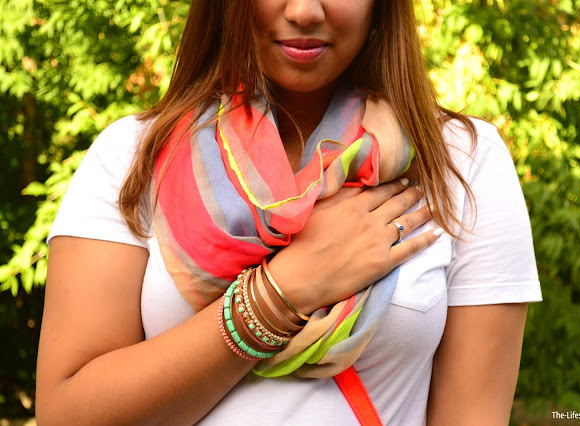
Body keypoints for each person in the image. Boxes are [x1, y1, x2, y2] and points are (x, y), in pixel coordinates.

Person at [35, 0, 542, 424]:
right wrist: (279, 295)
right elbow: (66, 414)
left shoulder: (462, 162)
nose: (304, 12)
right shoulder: (135, 155)